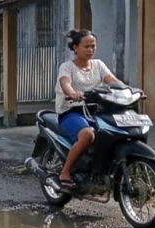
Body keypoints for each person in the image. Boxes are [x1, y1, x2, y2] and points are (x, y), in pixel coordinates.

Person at [55, 29, 123, 191]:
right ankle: (65, 172)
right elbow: (65, 83)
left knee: (113, 132)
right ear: (75, 48)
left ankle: (100, 170)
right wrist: (72, 93)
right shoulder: (67, 67)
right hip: (71, 112)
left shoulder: (98, 65)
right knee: (88, 134)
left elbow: (113, 81)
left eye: (93, 46)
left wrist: (131, 91)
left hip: (96, 111)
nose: (90, 50)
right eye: (86, 46)